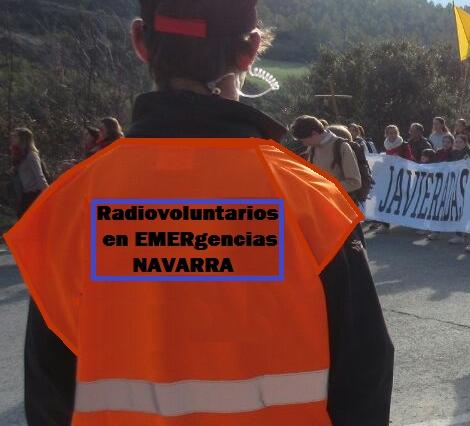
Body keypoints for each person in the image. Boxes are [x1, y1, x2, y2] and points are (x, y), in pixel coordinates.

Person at [13, 2, 394, 423]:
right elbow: (365, 382)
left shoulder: (70, 208)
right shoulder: (312, 202)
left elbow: (48, 400)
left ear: (140, 41)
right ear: (249, 51)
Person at [293, 116, 363, 203]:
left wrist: (327, 188)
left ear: (314, 134)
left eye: (304, 140)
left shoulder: (341, 147)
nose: (304, 144)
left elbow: (355, 182)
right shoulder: (312, 148)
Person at [9, 128, 49, 216]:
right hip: (25, 195)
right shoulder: (19, 156)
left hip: (34, 195)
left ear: (23, 139)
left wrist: (49, 194)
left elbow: (39, 176)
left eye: (16, 136)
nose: (12, 138)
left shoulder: (31, 155)